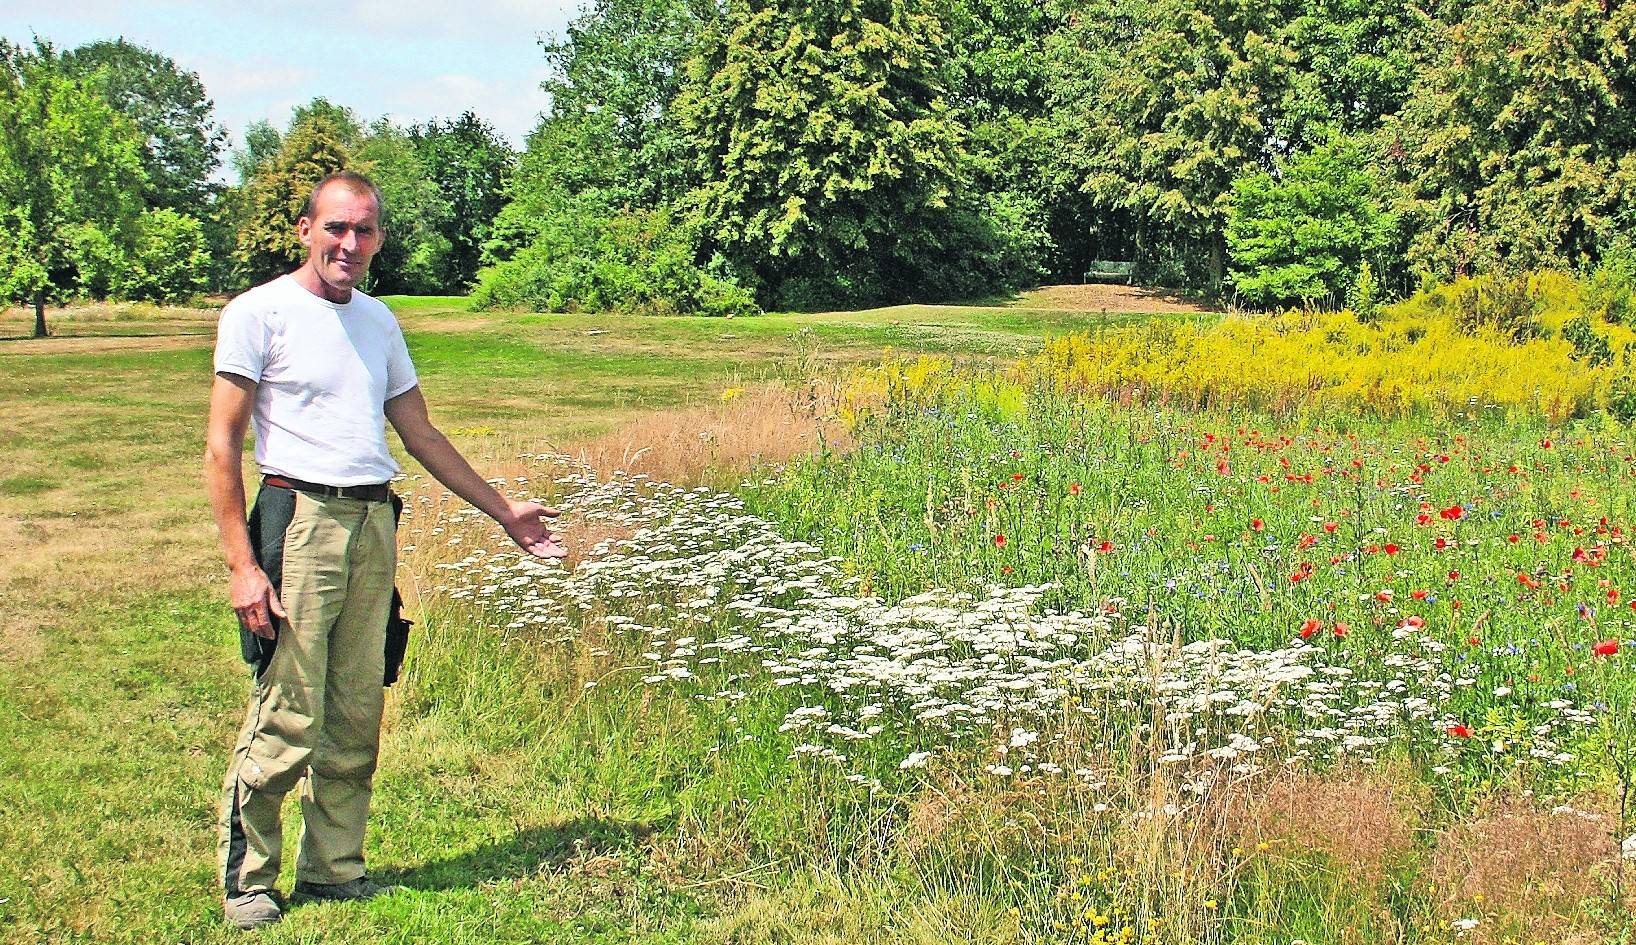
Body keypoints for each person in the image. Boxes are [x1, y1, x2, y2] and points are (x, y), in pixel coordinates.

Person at [204, 170, 565, 930]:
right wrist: (243, 565)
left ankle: (335, 868)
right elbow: (221, 445)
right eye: (336, 227)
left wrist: (503, 511)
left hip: (373, 521)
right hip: (297, 518)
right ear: (304, 230)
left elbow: (421, 433)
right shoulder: (258, 313)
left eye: (364, 230)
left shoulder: (378, 322)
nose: (349, 243)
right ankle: (252, 879)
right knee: (289, 707)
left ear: (378, 240)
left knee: (357, 706)